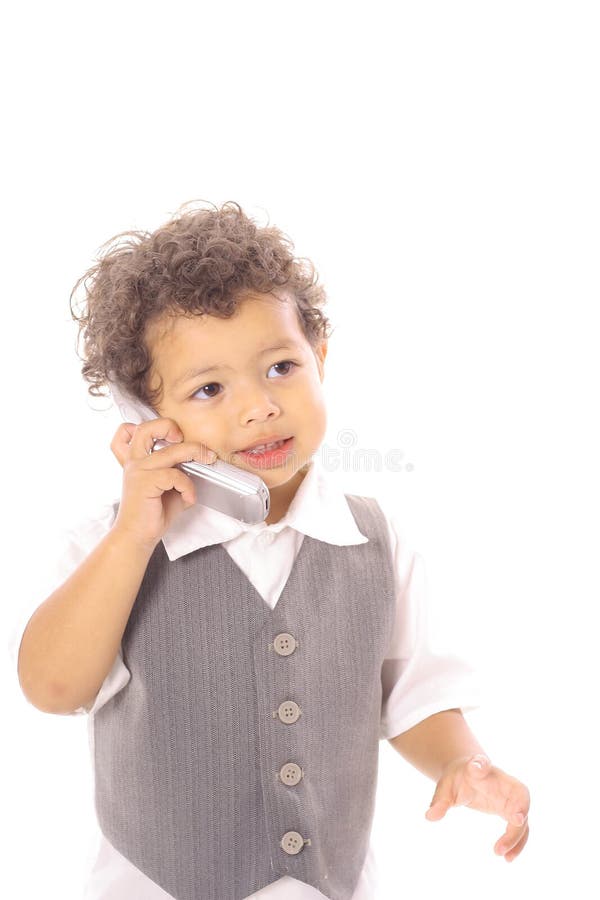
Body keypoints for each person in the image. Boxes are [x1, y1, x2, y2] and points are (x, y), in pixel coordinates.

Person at [11, 200, 530, 900]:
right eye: (210, 388)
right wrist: (134, 536)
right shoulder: (115, 549)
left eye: (281, 367)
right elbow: (52, 687)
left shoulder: (373, 539)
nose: (258, 405)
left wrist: (463, 763)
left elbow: (411, 694)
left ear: (320, 355)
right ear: (146, 415)